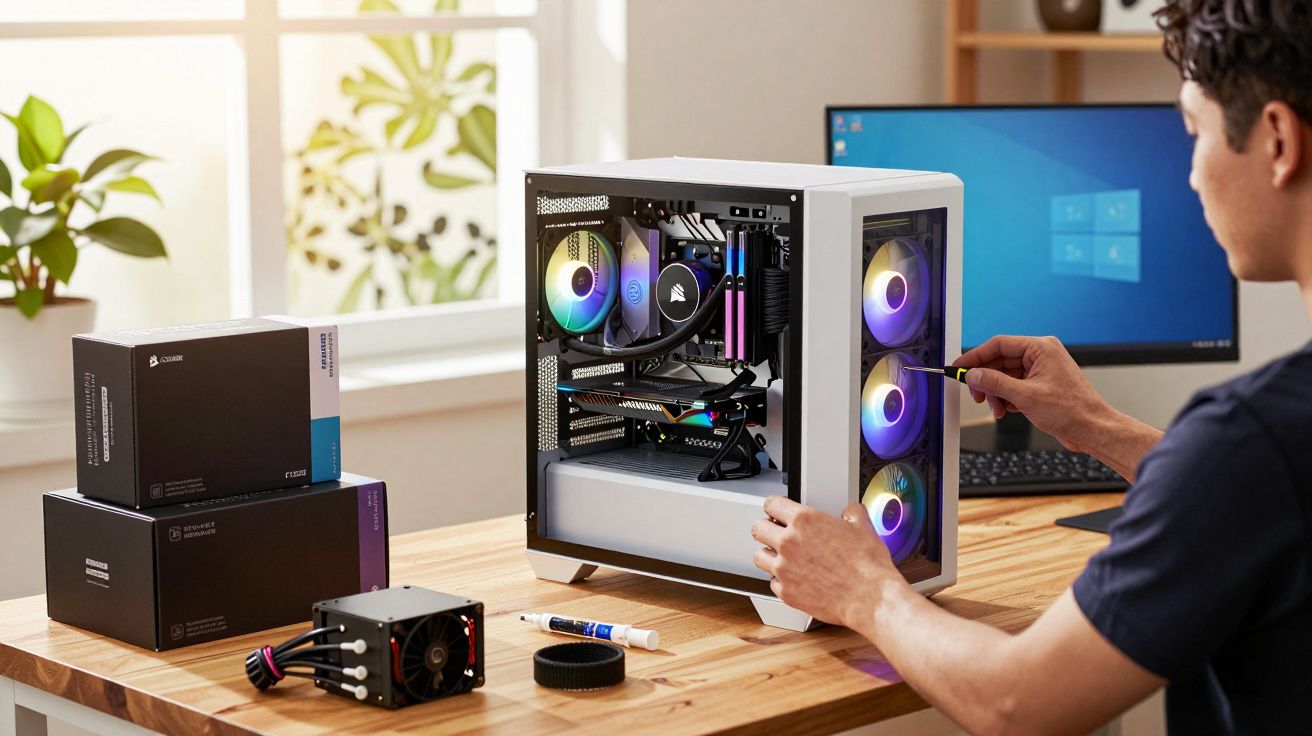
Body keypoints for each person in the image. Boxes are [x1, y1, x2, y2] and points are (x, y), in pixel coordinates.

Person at [750, 1, 1312, 732]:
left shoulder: (1249, 441)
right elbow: (1264, 501)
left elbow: (1018, 702)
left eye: (1193, 132)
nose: (1192, 177)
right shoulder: (1266, 450)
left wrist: (864, 592)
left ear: (1276, 140)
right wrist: (1097, 426)